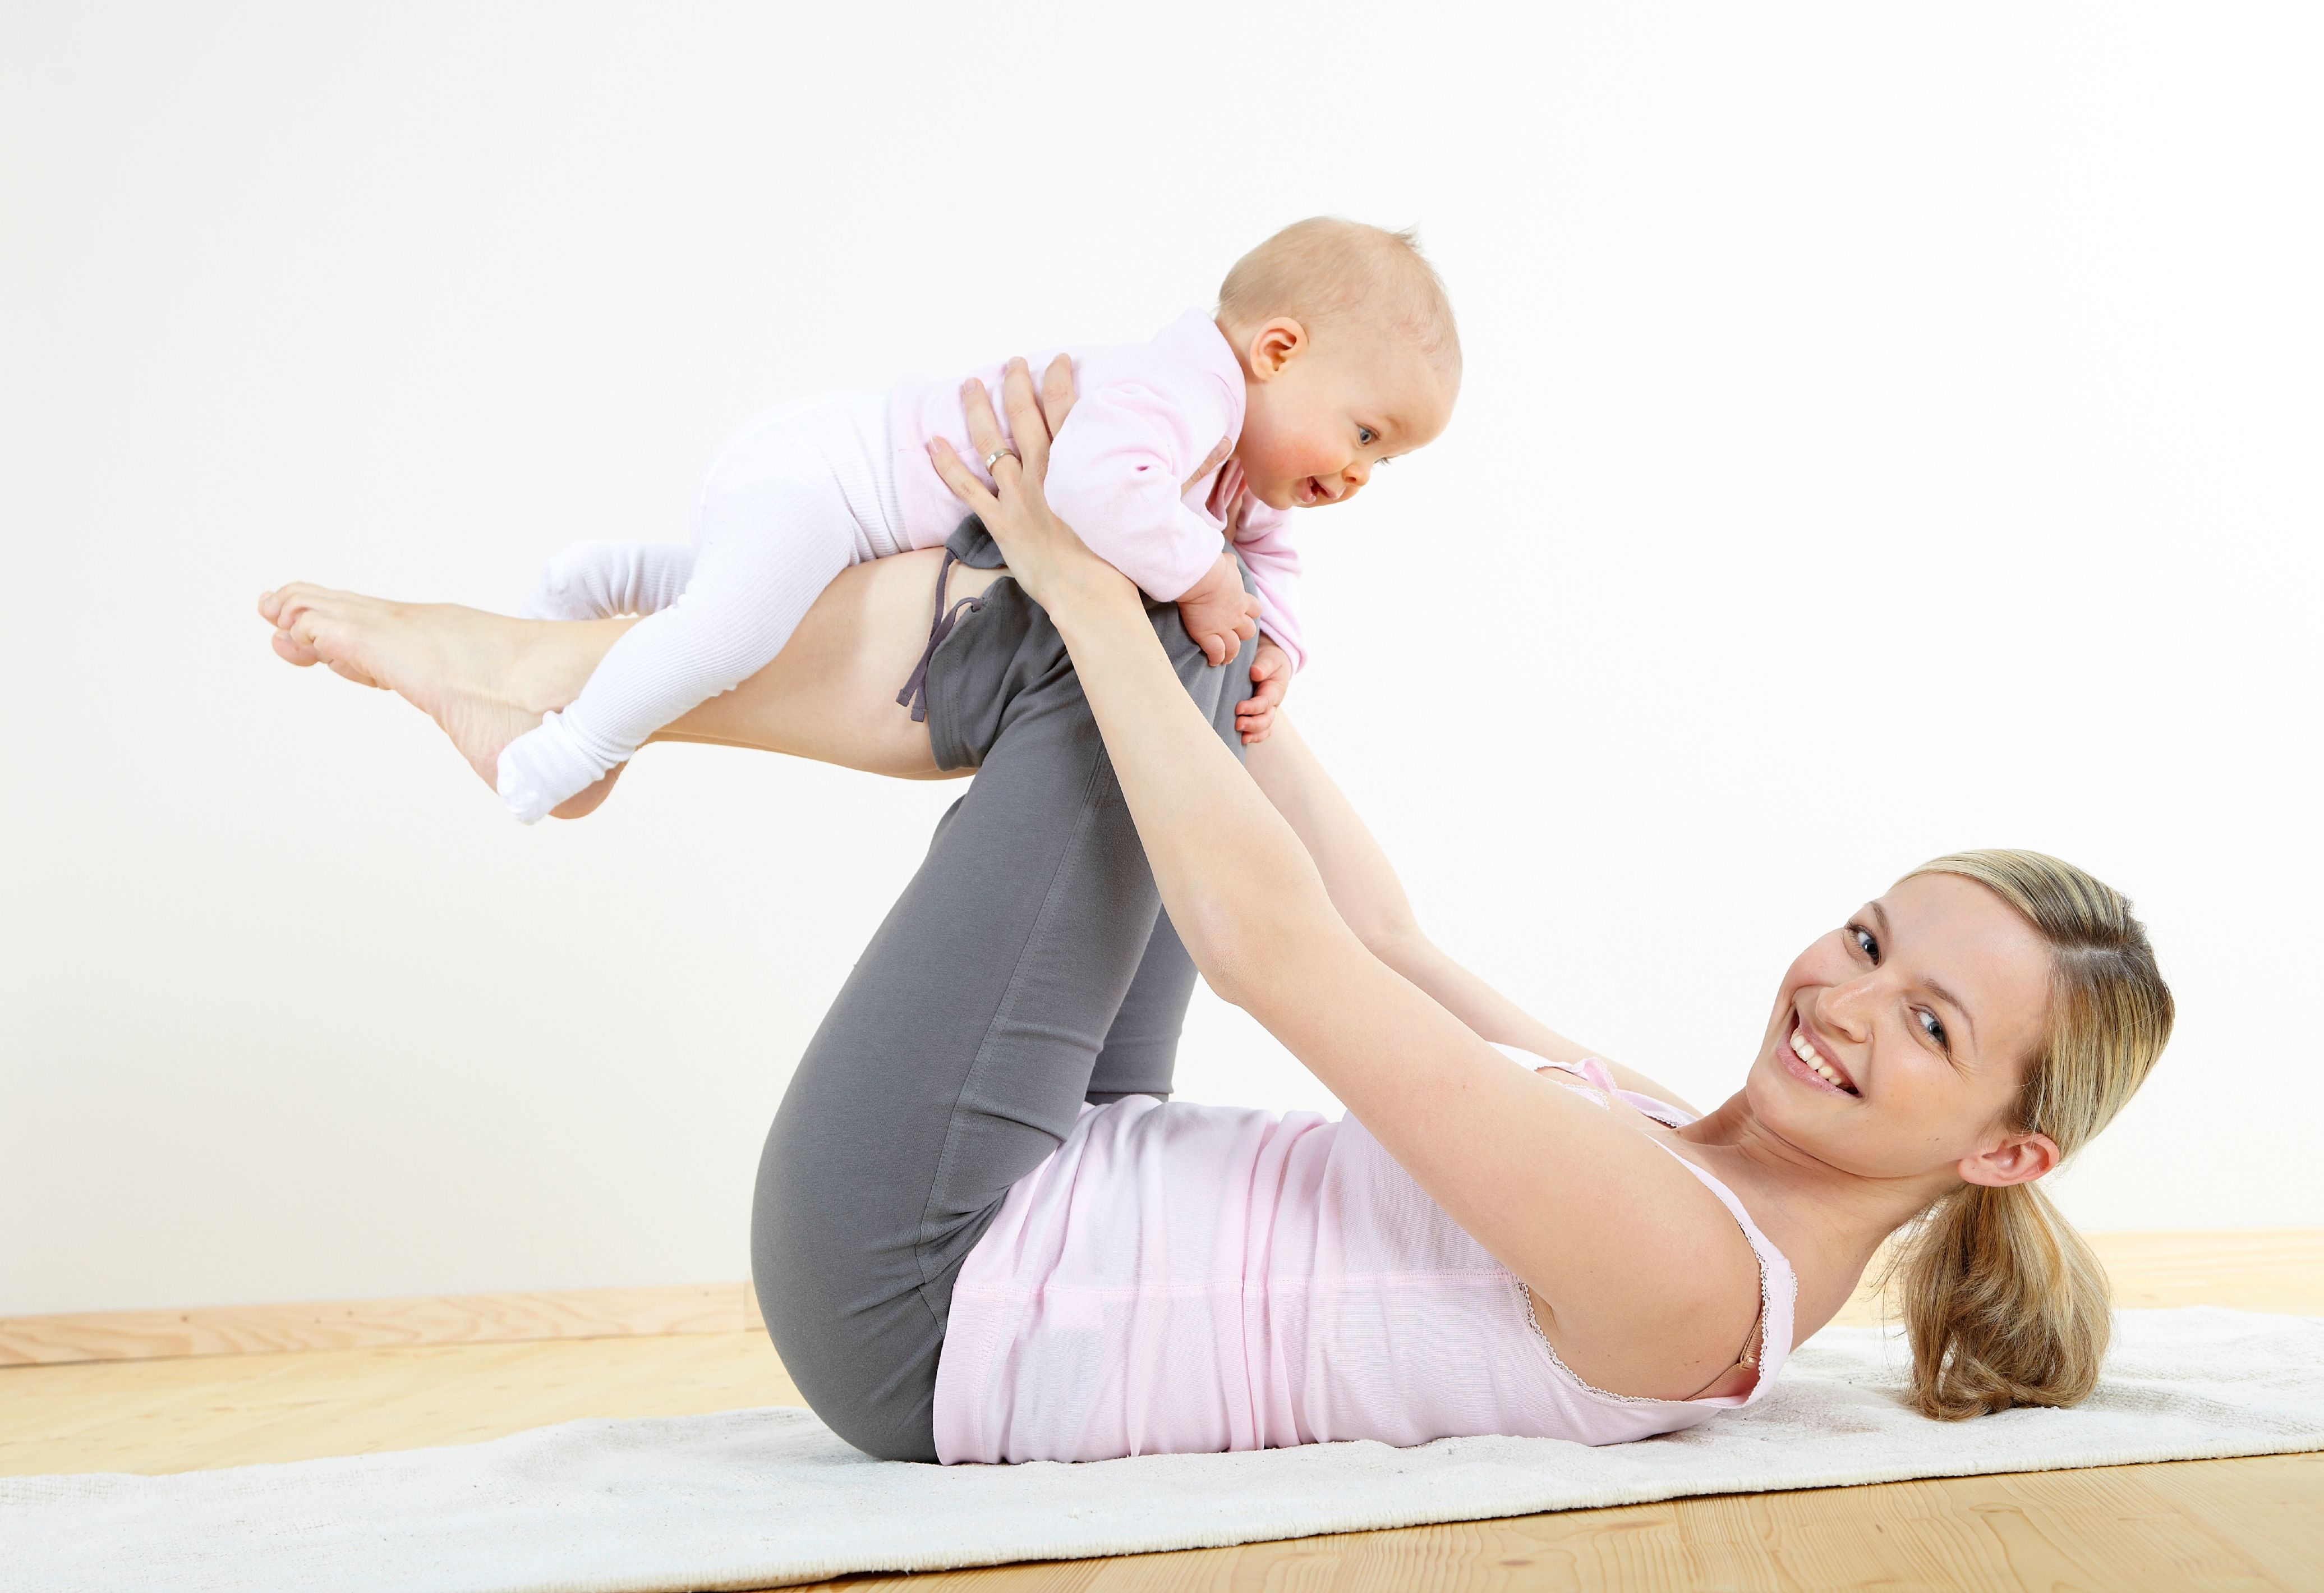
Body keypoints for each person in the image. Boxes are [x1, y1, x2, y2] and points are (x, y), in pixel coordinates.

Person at [256, 361, 2171, 1465]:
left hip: (924, 1290)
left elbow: (1283, 960)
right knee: (1160, 652)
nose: (1843, 1000)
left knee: (1095, 646)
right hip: (1064, 1183)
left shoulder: (1686, 1281)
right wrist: (1231, 666)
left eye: (1926, 1024)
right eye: (1866, 939)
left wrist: (1102, 595)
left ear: (2005, 1145)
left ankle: (556, 688)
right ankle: (573, 689)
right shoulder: (1693, 1153)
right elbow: (1396, 945)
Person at [489, 217, 1460, 823]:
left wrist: (1278, 642)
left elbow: (1264, 557)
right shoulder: (1187, 388)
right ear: (1278, 350)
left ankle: (608, 576)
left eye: (1386, 459)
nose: (1363, 472)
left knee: (771, 602)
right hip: (831, 474)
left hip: (849, 523)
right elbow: (1098, 485)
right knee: (739, 633)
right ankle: (577, 750)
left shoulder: (1241, 467)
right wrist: (1205, 580)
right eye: (1365, 432)